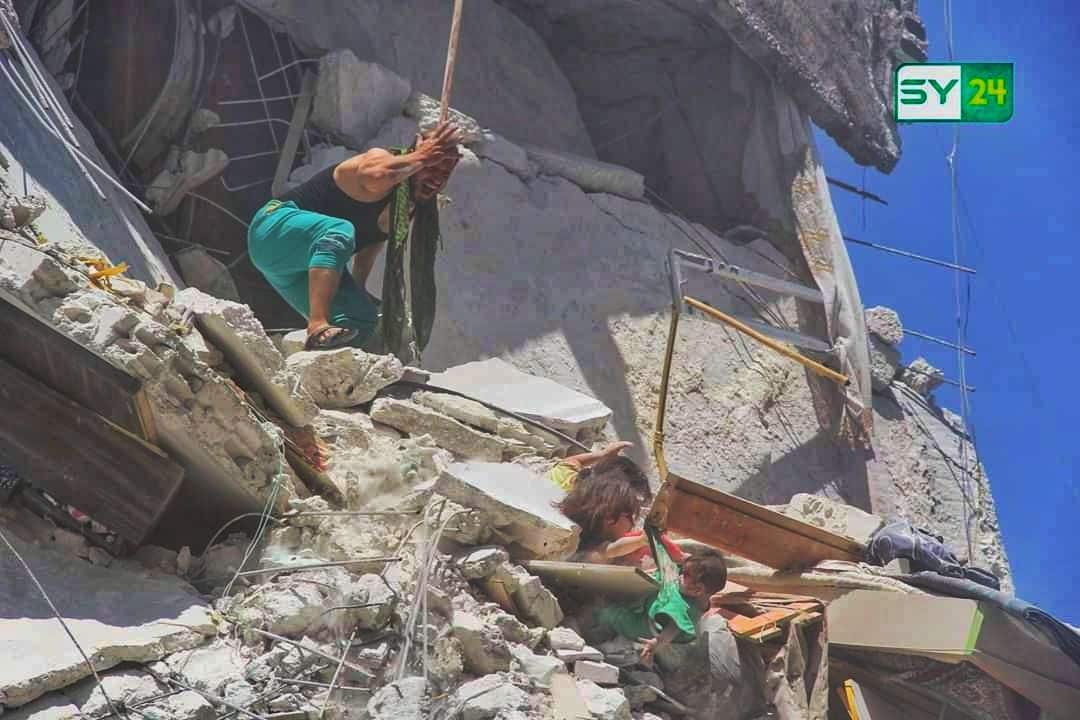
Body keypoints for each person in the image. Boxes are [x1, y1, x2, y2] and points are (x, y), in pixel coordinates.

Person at [247, 122, 463, 351]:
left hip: (293, 267)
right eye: (431, 168)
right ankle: (317, 324)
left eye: (444, 173)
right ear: (414, 153)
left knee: (363, 318)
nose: (437, 178)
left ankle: (327, 367)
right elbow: (378, 175)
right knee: (340, 230)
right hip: (271, 230)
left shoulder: (404, 208)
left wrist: (357, 290)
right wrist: (422, 157)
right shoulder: (380, 159)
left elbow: (370, 246)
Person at [549, 442, 685, 569]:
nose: (633, 523)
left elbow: (569, 462)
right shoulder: (579, 547)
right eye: (630, 515)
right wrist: (641, 540)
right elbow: (605, 553)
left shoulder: (564, 484)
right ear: (609, 515)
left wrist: (601, 455)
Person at [594, 548, 729, 666]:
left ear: (698, 589)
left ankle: (595, 625)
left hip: (648, 630)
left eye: (686, 574)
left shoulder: (684, 608)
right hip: (651, 616)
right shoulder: (688, 590)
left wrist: (655, 643)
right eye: (682, 569)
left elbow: (672, 629)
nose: (680, 574)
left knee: (611, 614)